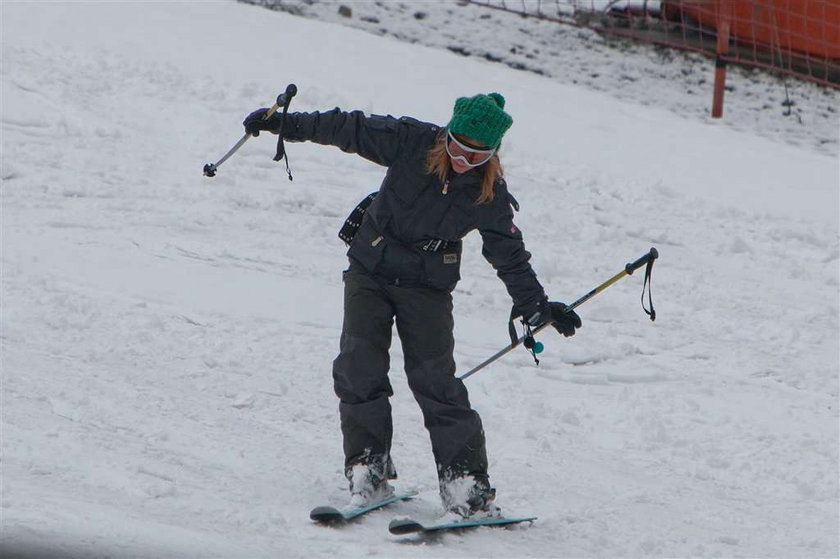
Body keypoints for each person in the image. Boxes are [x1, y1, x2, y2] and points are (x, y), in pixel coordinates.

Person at [243, 92, 581, 519]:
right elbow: (351, 127)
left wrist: (535, 305)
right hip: (371, 267)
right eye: (458, 148)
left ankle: (467, 487)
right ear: (447, 136)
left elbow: (508, 252)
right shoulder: (411, 141)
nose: (463, 161)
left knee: (435, 380)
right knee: (358, 365)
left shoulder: (488, 193)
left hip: (427, 285)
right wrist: (288, 125)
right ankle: (369, 469)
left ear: (492, 155)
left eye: (477, 157)